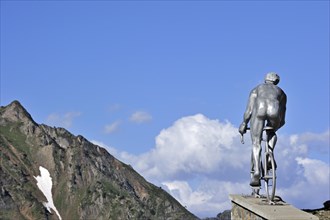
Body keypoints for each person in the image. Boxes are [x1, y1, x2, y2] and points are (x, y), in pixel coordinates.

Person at [239, 72, 287, 187]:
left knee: (256, 143)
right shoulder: (281, 93)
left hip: (259, 110)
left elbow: (249, 111)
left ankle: (256, 172)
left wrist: (244, 124)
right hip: (274, 111)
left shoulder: (257, 89)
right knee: (272, 131)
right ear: (276, 82)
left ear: (266, 80)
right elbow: (283, 116)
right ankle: (270, 153)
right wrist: (277, 125)